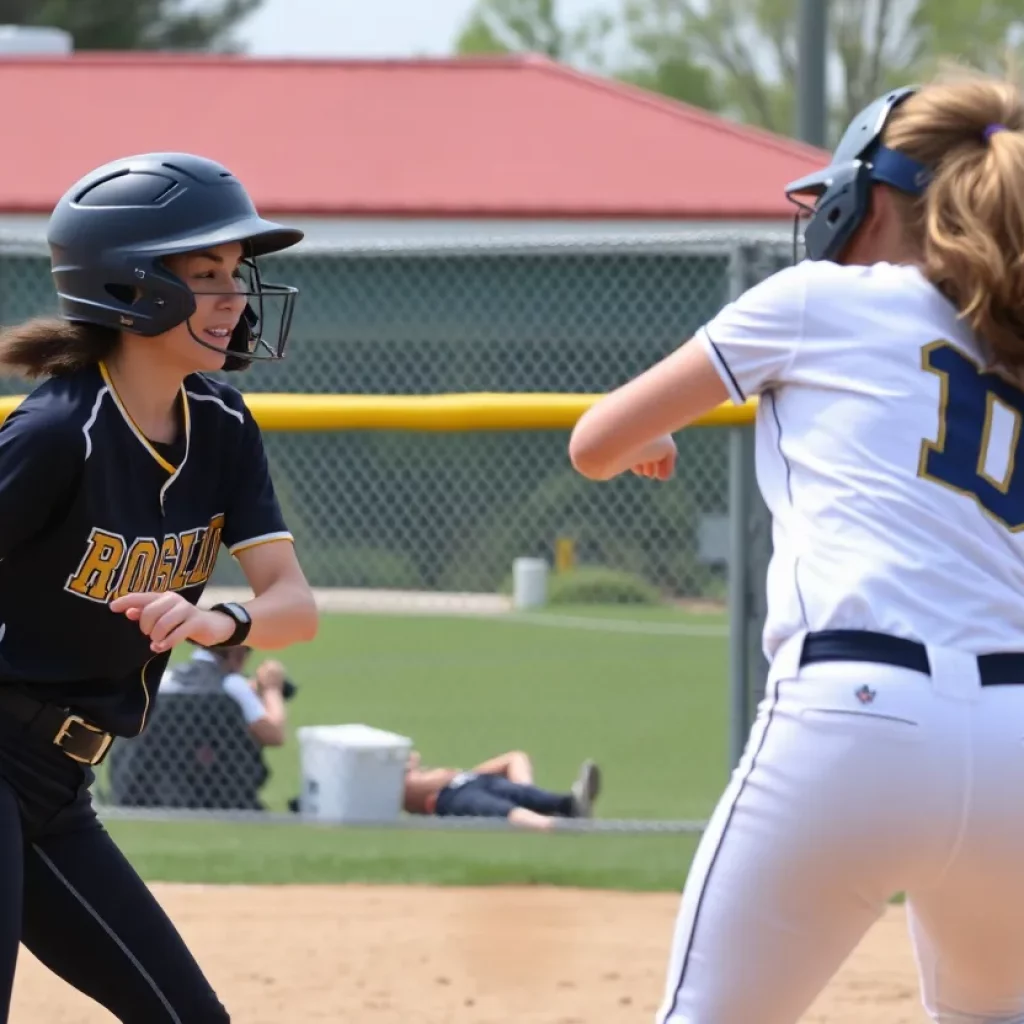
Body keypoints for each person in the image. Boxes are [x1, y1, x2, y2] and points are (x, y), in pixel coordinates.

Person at [569, 67, 1024, 1024]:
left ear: (870, 199)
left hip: (857, 714)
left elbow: (596, 441)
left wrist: (649, 440)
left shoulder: (818, 298)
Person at [0, 153, 318, 1023]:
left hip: (59, 785)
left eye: (235, 274)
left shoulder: (221, 424)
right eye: (206, 274)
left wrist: (218, 619)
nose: (235, 297)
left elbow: (294, 606)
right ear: (130, 287)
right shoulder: (59, 432)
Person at [402, 749, 600, 831]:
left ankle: (570, 805)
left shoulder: (399, 768)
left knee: (524, 793)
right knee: (507, 811)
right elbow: (412, 784)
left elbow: (413, 755)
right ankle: (556, 826)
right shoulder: (397, 784)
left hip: (470, 779)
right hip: (448, 796)